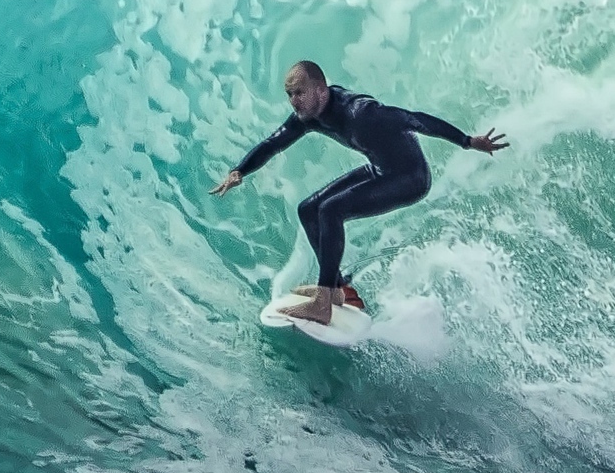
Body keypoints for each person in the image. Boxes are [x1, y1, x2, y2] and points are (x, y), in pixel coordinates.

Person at [211, 61, 508, 323]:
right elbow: (274, 142)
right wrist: (240, 170)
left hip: (410, 178)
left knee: (330, 210)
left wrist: (468, 141)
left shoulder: (361, 113)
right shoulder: (309, 116)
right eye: (289, 94)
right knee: (308, 209)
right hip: (380, 170)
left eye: (299, 93)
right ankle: (337, 288)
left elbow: (415, 119)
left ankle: (323, 301)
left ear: (321, 91)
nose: (293, 101)